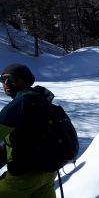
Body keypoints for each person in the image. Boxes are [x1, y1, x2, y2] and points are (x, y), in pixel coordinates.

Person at [0, 63, 57, 198]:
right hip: (48, 172)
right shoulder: (41, 99)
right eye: (2, 79)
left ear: (24, 80)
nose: (6, 83)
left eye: (12, 79)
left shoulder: (22, 102)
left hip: (25, 176)